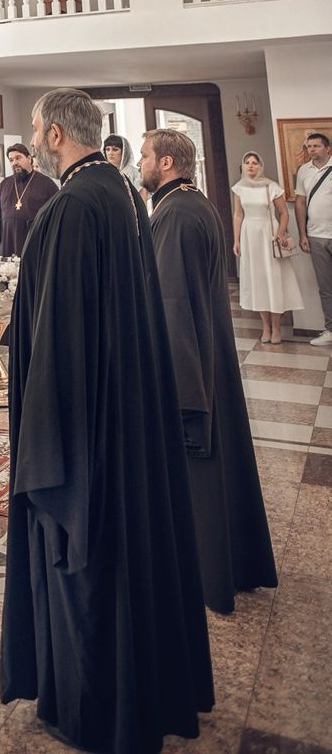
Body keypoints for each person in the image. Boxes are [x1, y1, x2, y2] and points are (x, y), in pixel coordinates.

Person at [0, 89, 213, 754]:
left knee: (85, 566)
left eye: (36, 126)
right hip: (119, 412)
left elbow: (61, 337)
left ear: (55, 134)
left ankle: (90, 711)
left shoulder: (71, 206)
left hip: (81, 435)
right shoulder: (118, 192)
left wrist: (44, 446)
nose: (33, 136)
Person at [140, 128, 277, 614]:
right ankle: (228, 564)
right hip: (207, 357)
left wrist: (179, 391)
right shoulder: (192, 203)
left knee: (198, 477)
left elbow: (172, 303)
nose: (140, 163)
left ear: (167, 163)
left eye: (145, 156)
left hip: (189, 370)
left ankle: (204, 574)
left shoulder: (176, 214)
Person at [232, 151, 303, 344]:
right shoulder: (239, 188)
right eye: (247, 162)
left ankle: (277, 327)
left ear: (260, 166)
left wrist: (280, 233)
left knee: (273, 279)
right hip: (250, 235)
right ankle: (266, 327)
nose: (251, 166)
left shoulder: (271, 186)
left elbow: (284, 213)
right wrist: (237, 240)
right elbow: (238, 215)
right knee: (258, 281)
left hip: (268, 234)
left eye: (255, 163)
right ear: (243, 166)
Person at [0, 143, 56, 257]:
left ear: (29, 158)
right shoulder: (4, 185)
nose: (14, 162)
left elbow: (55, 219)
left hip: (35, 248)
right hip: (8, 246)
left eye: (18, 158)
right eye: (11, 160)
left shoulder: (46, 184)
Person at [295, 130, 332, 346]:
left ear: (327, 148)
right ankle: (331, 330)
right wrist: (302, 234)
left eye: (316, 146)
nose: (312, 150)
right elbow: (300, 202)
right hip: (316, 236)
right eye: (309, 146)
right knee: (326, 287)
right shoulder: (304, 171)